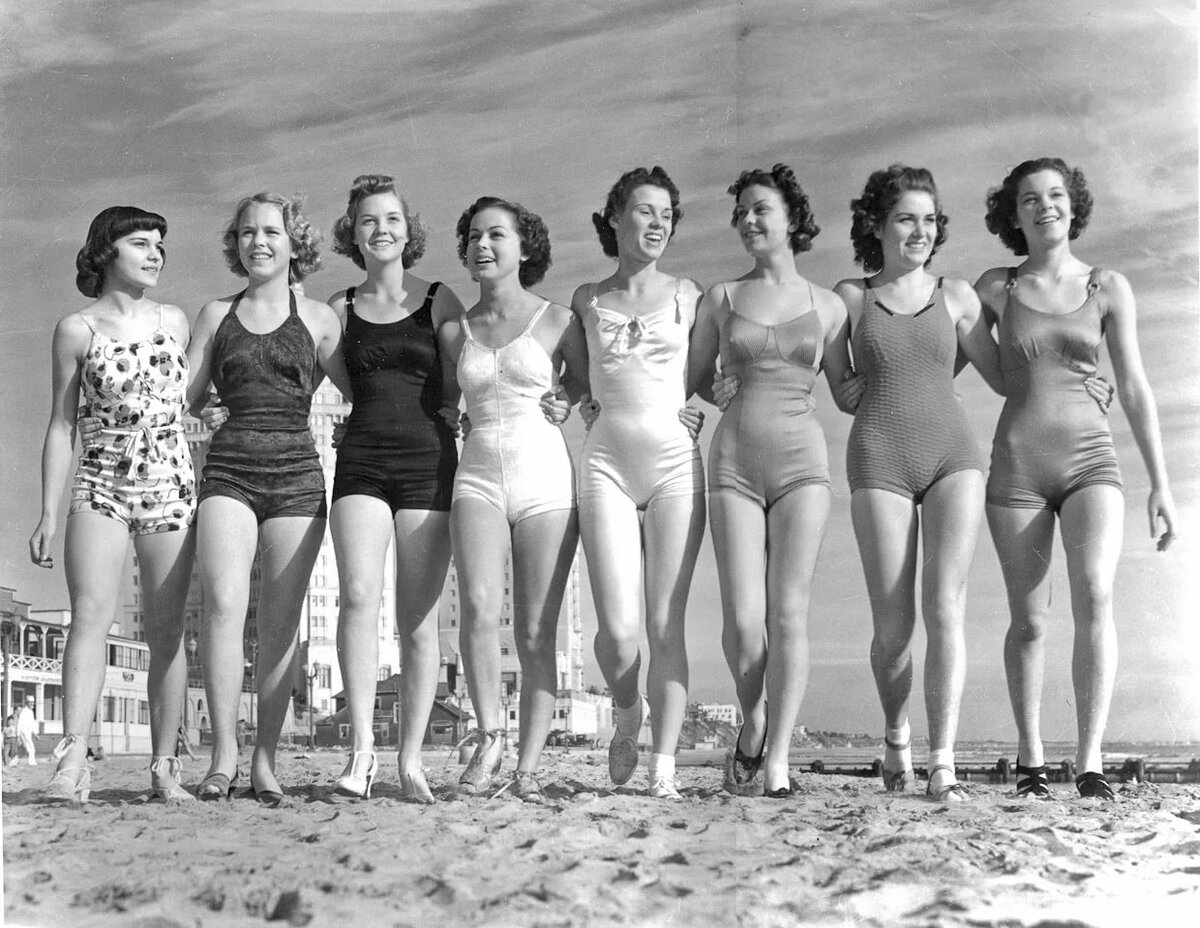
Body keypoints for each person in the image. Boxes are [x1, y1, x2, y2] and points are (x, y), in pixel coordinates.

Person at [976, 158, 1178, 800]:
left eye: (1056, 195)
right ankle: (1032, 760)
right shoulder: (996, 287)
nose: (1045, 207)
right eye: (1030, 199)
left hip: (1092, 461)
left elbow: (1136, 386)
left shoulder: (1107, 285)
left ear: (1073, 204)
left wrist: (1161, 484)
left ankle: (1090, 763)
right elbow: (944, 350)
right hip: (1017, 468)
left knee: (1095, 594)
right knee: (1029, 620)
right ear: (1013, 215)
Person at [828, 165, 1006, 802]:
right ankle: (897, 733)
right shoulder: (849, 297)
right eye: (906, 218)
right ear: (876, 226)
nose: (920, 231)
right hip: (879, 458)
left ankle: (943, 764)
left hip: (954, 456)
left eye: (929, 220)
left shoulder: (956, 295)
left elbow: (1005, 375)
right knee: (893, 630)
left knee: (945, 608)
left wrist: (1081, 370)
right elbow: (842, 389)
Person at [687, 165, 849, 797]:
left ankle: (777, 758)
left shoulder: (829, 305)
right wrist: (714, 391)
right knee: (742, 619)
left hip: (803, 466)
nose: (748, 221)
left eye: (760, 209)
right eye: (741, 214)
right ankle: (752, 718)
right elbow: (692, 380)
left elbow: (849, 389)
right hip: (733, 465)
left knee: (788, 615)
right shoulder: (721, 297)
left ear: (792, 218)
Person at [187, 192, 352, 804]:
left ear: (294, 242)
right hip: (228, 471)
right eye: (247, 232)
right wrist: (198, 411)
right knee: (224, 608)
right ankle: (223, 758)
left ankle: (265, 761)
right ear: (236, 244)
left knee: (282, 626)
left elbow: (363, 394)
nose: (258, 242)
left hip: (297, 479)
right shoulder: (215, 314)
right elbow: (184, 398)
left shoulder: (320, 319)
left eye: (271, 232)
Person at [28, 206, 197, 802]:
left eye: (159, 245)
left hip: (169, 482)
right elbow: (60, 426)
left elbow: (191, 399)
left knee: (167, 628)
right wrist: (49, 512)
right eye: (140, 243)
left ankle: (165, 766)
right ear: (106, 251)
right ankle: (72, 762)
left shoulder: (175, 321)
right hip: (100, 478)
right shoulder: (76, 329)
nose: (155, 254)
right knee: (90, 616)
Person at [438, 196, 587, 802]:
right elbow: (445, 403)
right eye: (474, 235)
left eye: (497, 234)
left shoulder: (559, 321)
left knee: (533, 628)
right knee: (476, 606)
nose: (483, 245)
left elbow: (586, 385)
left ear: (524, 248)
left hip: (545, 481)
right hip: (477, 475)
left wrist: (567, 399)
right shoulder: (455, 331)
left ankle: (527, 768)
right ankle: (490, 736)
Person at [326, 174, 466, 802]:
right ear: (353, 235)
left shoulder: (439, 298)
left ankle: (410, 759)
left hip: (428, 462)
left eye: (391, 220)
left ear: (409, 232)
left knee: (418, 618)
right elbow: (341, 381)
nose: (380, 230)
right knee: (358, 594)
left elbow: (464, 379)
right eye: (368, 221)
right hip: (360, 459)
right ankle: (362, 751)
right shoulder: (339, 307)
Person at [573, 167, 708, 800]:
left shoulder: (690, 294)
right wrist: (569, 401)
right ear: (615, 218)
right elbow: (573, 377)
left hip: (676, 467)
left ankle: (663, 769)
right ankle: (627, 710)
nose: (657, 224)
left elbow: (708, 374)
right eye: (645, 211)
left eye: (666, 215)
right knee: (619, 635)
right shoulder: (586, 299)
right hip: (606, 466)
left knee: (665, 625)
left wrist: (706, 401)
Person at [16, 697, 39, 767]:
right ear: (27, 703)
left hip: (29, 732)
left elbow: (32, 723)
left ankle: (17, 759)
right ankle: (32, 762)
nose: (32, 704)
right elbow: (20, 723)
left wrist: (35, 733)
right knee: (31, 747)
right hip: (24, 731)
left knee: (27, 748)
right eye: (30, 702)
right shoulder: (24, 711)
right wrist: (18, 735)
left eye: (32, 702)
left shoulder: (31, 712)